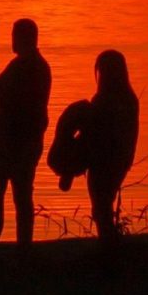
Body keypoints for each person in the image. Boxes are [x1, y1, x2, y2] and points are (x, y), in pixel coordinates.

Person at [49, 50, 138, 246]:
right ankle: (108, 244)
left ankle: (108, 247)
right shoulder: (128, 99)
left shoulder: (107, 100)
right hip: (117, 159)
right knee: (102, 204)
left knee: (101, 205)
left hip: (104, 160)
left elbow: (98, 131)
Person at [0, 19, 52, 257]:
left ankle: (1, 246)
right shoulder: (28, 65)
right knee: (14, 194)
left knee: (4, 194)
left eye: (15, 35)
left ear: (25, 38)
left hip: (14, 141)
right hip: (19, 139)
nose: (12, 40)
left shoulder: (28, 67)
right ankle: (17, 247)